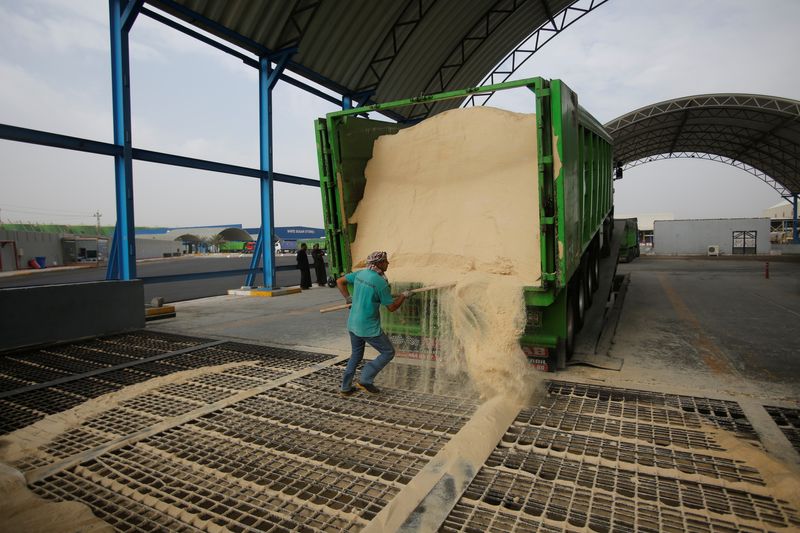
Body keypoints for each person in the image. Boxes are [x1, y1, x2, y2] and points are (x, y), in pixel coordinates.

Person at [336, 251, 411, 395]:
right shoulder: (380, 283)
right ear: (378, 264)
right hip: (368, 326)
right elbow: (391, 307)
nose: (388, 263)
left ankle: (345, 388)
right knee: (388, 352)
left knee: (356, 355)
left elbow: (340, 281)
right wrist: (403, 296)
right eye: (385, 261)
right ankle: (366, 379)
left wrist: (348, 298)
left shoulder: (360, 274)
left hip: (353, 323)